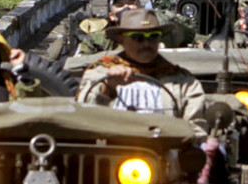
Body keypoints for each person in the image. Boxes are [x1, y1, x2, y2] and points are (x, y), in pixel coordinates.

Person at [76, 8, 209, 134]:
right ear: (121, 40)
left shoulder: (182, 81)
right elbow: (81, 115)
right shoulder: (100, 72)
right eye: (138, 37)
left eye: (153, 36)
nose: (146, 44)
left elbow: (196, 127)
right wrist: (107, 87)